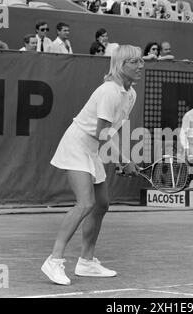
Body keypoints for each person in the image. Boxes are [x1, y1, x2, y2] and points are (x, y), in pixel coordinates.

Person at [41, 45, 144, 285]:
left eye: (141, 61)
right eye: (134, 62)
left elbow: (109, 132)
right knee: (85, 203)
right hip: (77, 145)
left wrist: (121, 159)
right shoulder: (109, 91)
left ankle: (86, 261)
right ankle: (54, 260)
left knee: (101, 205)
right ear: (121, 65)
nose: (141, 66)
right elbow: (102, 132)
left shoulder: (130, 94)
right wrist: (125, 160)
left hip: (92, 149)